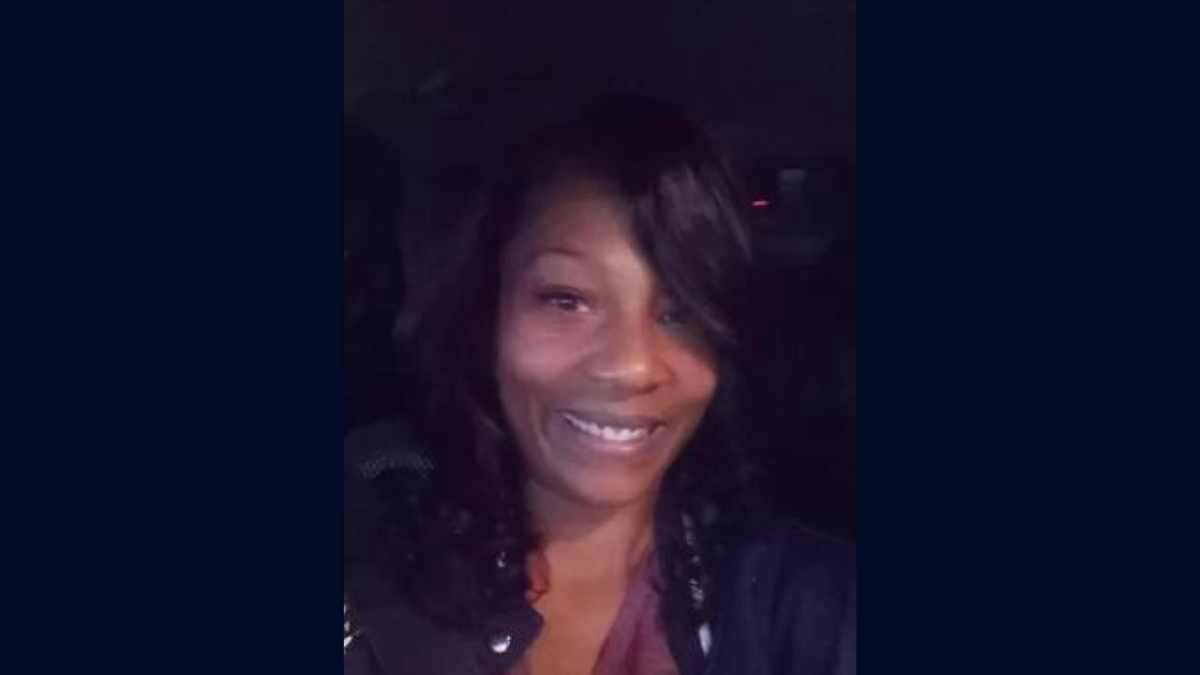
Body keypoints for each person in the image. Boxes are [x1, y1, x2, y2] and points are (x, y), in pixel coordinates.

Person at [343, 97, 855, 675]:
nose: (632, 366)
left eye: (681, 312)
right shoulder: (370, 548)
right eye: (567, 300)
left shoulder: (803, 604)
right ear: (487, 315)